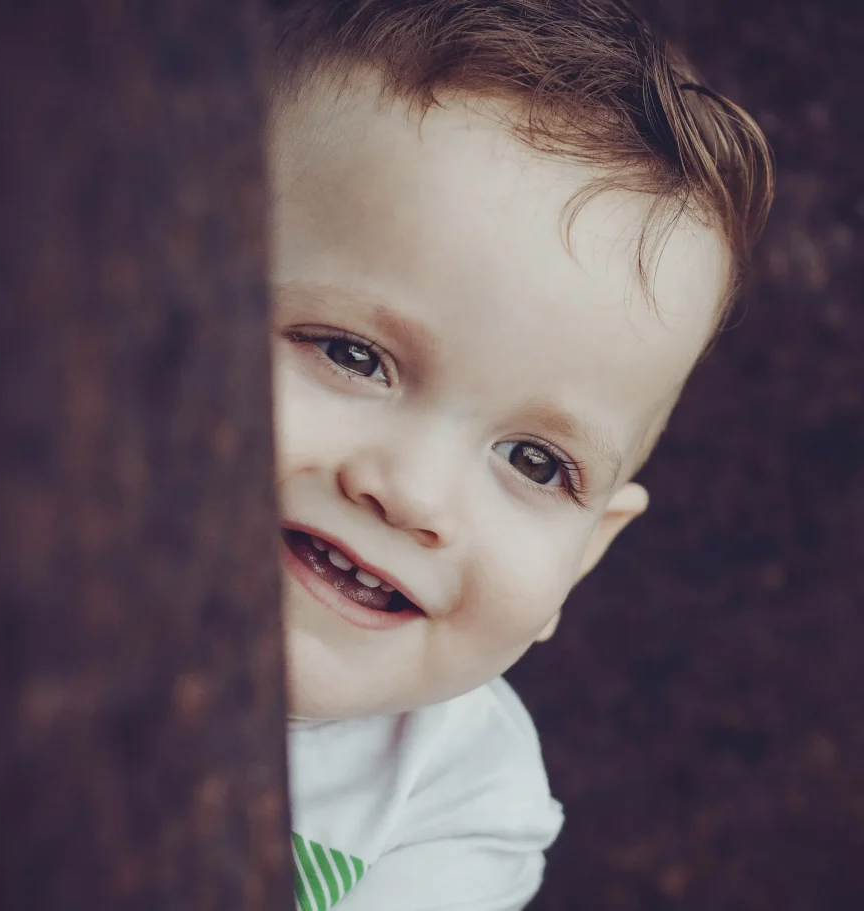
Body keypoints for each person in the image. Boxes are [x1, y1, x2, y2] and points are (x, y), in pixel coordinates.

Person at [267, 2, 774, 908]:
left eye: (536, 462)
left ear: (586, 555)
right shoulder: (12, 540)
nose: (412, 493)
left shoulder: (463, 806)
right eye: (351, 355)